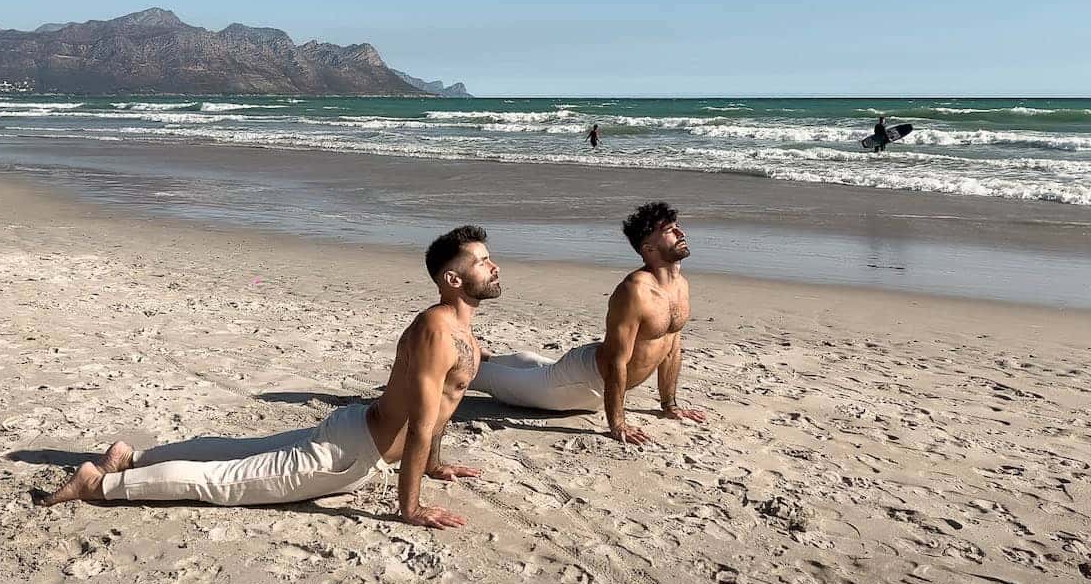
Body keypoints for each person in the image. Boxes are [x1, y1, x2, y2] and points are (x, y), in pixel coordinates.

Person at [36, 225, 499, 530]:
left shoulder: (466, 336)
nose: (493, 265)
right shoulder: (437, 331)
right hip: (348, 454)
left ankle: (131, 457)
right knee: (224, 481)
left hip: (356, 433)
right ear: (452, 280)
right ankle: (99, 485)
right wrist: (411, 509)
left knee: (242, 452)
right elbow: (420, 424)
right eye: (481, 261)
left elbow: (441, 410)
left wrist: (435, 465)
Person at [474, 200, 703, 445]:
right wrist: (618, 423)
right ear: (649, 248)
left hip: (591, 378)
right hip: (578, 384)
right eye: (669, 230)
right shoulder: (635, 291)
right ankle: (455, 361)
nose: (681, 233)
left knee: (532, 366)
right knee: (476, 376)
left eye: (677, 226)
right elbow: (617, 360)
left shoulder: (680, 285)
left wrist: (670, 405)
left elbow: (671, 349)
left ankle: (485, 355)